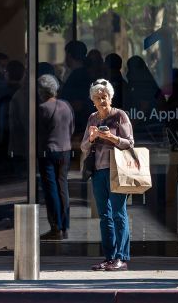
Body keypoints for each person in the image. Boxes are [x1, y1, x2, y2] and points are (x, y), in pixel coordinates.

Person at [80, 78, 134, 271]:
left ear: (110, 97)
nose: (102, 101)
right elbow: (83, 146)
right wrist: (93, 137)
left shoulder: (119, 115)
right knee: (105, 216)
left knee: (119, 213)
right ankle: (110, 257)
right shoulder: (92, 118)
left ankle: (122, 257)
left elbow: (129, 143)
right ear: (92, 100)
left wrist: (112, 137)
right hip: (98, 171)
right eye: (98, 98)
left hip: (117, 170)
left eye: (105, 97)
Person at [36, 73, 74, 240]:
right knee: (62, 187)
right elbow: (71, 127)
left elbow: (38, 133)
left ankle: (55, 226)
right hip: (65, 150)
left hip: (48, 152)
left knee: (50, 189)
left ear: (42, 91)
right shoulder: (66, 105)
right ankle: (65, 226)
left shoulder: (42, 108)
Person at [58, 41, 92, 134]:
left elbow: (78, 103)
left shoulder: (78, 76)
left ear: (69, 55)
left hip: (77, 125)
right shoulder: (84, 74)